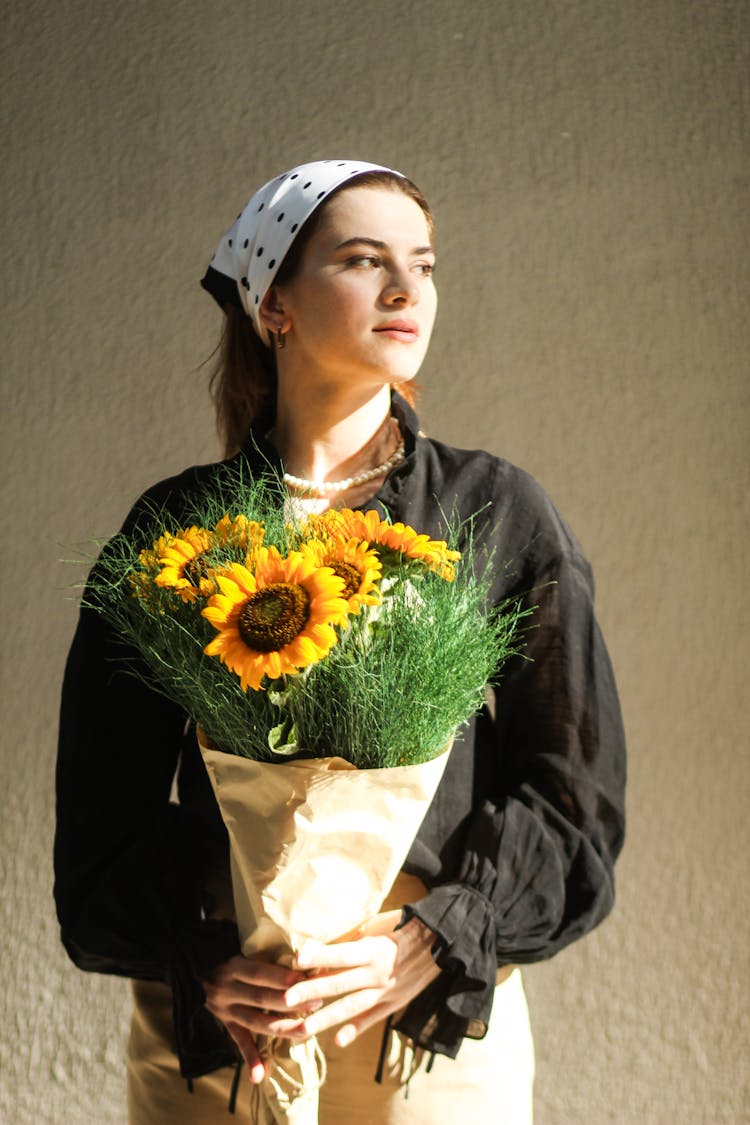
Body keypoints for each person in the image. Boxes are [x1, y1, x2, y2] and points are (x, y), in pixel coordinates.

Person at [55, 159, 626, 1123]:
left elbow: (576, 806)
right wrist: (205, 962)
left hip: (423, 1029)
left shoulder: (496, 512)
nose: (408, 289)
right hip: (220, 1035)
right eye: (365, 260)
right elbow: (99, 830)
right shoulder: (176, 532)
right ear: (273, 302)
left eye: (425, 264)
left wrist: (430, 940)